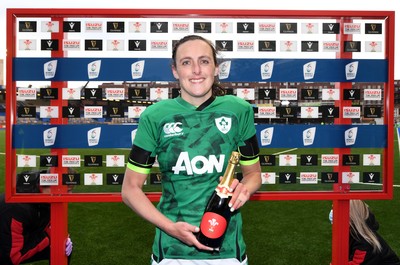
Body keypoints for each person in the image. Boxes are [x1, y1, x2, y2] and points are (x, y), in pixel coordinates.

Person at [122, 34, 262, 265]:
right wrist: (171, 228)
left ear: (216, 68)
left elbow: (253, 174)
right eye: (186, 62)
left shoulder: (239, 110)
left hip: (227, 251)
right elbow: (130, 189)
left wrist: (244, 190)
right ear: (175, 71)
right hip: (171, 251)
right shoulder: (155, 117)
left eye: (204, 61)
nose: (196, 70)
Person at [0, 169, 73, 265]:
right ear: (53, 186)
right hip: (7, 250)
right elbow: (12, 257)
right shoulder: (17, 208)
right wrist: (49, 239)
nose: (71, 195)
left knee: (62, 246)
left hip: (21, 236)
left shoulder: (46, 197)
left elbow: (49, 224)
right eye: (68, 190)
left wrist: (63, 237)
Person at [329, 200, 400, 265]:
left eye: (336, 208)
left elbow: (357, 263)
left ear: (351, 215)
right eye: (333, 208)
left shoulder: (363, 241)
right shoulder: (353, 232)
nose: (332, 212)